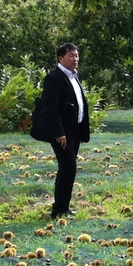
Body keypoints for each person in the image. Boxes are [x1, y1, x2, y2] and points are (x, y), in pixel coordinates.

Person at [40, 43, 90, 219]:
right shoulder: (54, 78)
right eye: (71, 55)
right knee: (68, 168)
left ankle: (63, 206)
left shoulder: (74, 76)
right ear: (61, 58)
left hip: (75, 130)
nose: (75, 59)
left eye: (76, 55)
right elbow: (50, 108)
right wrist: (59, 132)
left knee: (67, 169)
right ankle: (59, 210)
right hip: (63, 133)